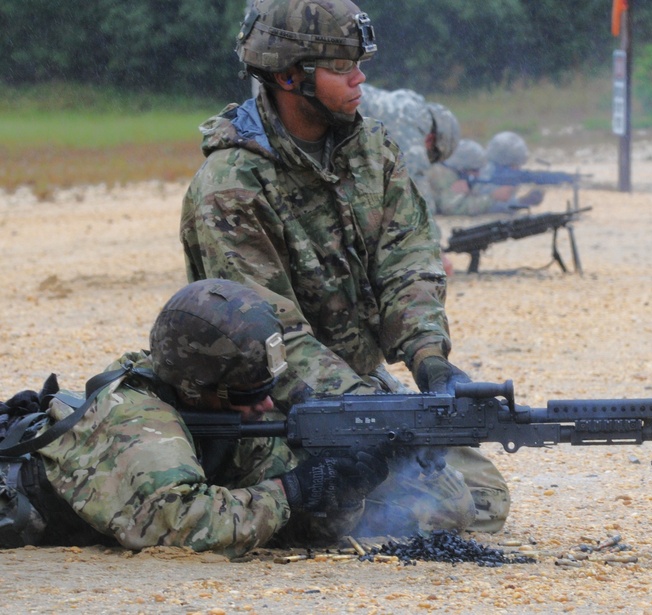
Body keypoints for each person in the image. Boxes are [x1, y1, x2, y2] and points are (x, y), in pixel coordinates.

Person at [180, 0, 508, 534]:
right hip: (267, 401)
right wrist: (371, 411)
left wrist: (430, 360)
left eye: (358, 62)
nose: (360, 78)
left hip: (355, 384)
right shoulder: (232, 185)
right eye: (341, 67)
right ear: (289, 76)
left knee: (486, 494)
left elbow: (408, 262)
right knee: (443, 508)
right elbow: (271, 338)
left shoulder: (371, 150)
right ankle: (259, 500)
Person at [1, 279, 399, 557]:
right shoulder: (141, 423)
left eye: (269, 389)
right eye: (250, 394)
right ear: (196, 388)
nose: (265, 406)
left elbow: (294, 528)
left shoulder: (215, 410)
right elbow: (179, 525)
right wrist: (291, 490)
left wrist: (340, 489)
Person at [358, 84, 460, 214]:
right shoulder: (409, 122)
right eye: (430, 155)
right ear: (430, 140)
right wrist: (432, 231)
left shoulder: (408, 108)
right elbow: (413, 190)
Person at [471, 131, 545, 213]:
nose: (518, 167)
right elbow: (492, 205)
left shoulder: (491, 170)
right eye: (514, 163)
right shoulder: (486, 174)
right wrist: (523, 201)